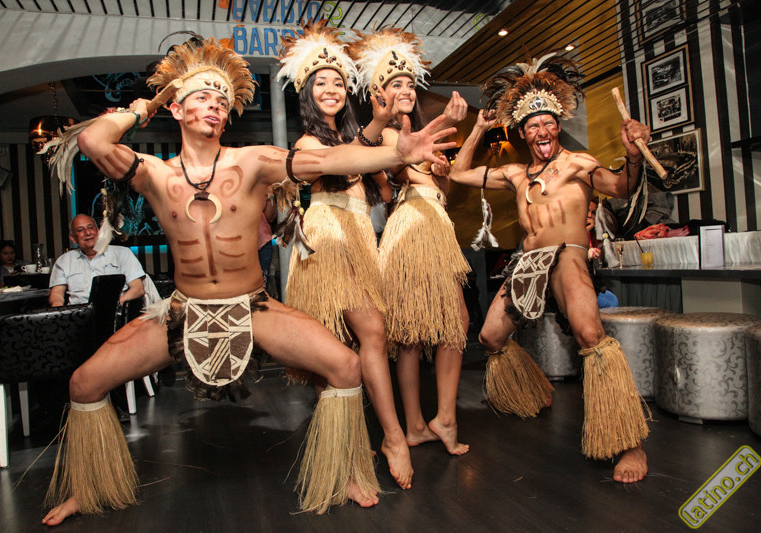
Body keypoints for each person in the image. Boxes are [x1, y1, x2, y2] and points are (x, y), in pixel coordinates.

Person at [40, 36, 456, 526]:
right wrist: (140, 108)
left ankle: (345, 469)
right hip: (182, 312)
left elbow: (325, 162)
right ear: (177, 108)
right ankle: (86, 488)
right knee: (84, 383)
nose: (214, 106)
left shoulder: (252, 161)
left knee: (346, 366)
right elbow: (93, 142)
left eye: (221, 100)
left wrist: (394, 153)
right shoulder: (154, 173)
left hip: (253, 306)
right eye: (201, 97)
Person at [448, 53, 650, 483]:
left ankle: (630, 442)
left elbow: (622, 186)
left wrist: (632, 156)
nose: (541, 131)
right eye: (533, 126)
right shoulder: (515, 174)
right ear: (522, 133)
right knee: (489, 337)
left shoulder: (578, 165)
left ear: (557, 126)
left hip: (569, 255)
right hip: (528, 262)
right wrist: (479, 129)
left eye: (548, 123)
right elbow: (458, 173)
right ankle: (535, 390)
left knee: (591, 336)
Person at [277, 22, 413, 489]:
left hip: (358, 238)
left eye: (338, 82)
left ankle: (350, 443)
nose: (331, 89)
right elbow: (345, 160)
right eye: (321, 83)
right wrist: (377, 126)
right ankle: (386, 438)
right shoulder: (308, 143)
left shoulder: (353, 140)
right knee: (357, 336)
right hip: (328, 239)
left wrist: (392, 147)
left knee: (355, 338)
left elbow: (382, 183)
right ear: (307, 94)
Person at [349, 28, 470, 456]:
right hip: (413, 228)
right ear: (379, 93)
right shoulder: (386, 133)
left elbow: (443, 189)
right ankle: (433, 420)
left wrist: (444, 165)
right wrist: (444, 127)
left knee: (428, 328)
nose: (405, 89)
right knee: (425, 328)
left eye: (409, 83)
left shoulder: (420, 133)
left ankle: (423, 423)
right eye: (394, 83)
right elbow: (384, 156)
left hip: (433, 222)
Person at [48, 214, 146, 307]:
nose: (87, 233)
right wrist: (58, 308)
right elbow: (57, 293)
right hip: (79, 313)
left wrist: (115, 305)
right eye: (80, 230)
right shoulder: (63, 261)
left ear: (98, 231)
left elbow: (138, 289)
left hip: (115, 312)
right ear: (72, 238)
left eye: (91, 228)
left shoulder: (122, 253)